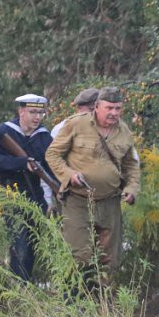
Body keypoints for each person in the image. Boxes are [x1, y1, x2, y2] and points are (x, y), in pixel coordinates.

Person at [45, 86, 140, 282]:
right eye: (109, 108)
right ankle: (73, 302)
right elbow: (52, 154)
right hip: (78, 200)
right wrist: (68, 174)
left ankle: (101, 304)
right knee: (79, 256)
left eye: (118, 108)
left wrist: (131, 189)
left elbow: (131, 164)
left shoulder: (124, 131)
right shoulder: (76, 125)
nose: (114, 113)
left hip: (110, 202)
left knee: (109, 259)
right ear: (96, 107)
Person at [0, 94, 53, 280]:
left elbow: (51, 167)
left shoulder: (44, 136)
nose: (37, 117)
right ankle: (17, 285)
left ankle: (26, 283)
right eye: (33, 112)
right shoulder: (5, 132)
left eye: (41, 112)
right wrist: (21, 163)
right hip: (11, 193)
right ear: (21, 111)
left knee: (32, 244)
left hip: (36, 196)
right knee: (18, 244)